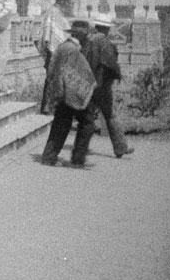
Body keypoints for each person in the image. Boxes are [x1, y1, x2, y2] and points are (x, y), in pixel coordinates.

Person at [39, 16, 101, 167]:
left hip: (61, 92)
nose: (88, 38)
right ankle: (78, 158)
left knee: (61, 123)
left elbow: (52, 70)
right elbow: (80, 73)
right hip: (73, 93)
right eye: (87, 35)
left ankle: (49, 156)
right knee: (87, 123)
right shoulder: (73, 51)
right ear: (81, 35)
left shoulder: (61, 47)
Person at [87, 12, 135, 158]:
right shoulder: (106, 44)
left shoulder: (88, 41)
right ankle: (120, 147)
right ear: (106, 29)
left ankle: (81, 149)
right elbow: (111, 65)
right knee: (110, 115)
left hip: (89, 84)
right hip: (102, 86)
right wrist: (117, 75)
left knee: (87, 117)